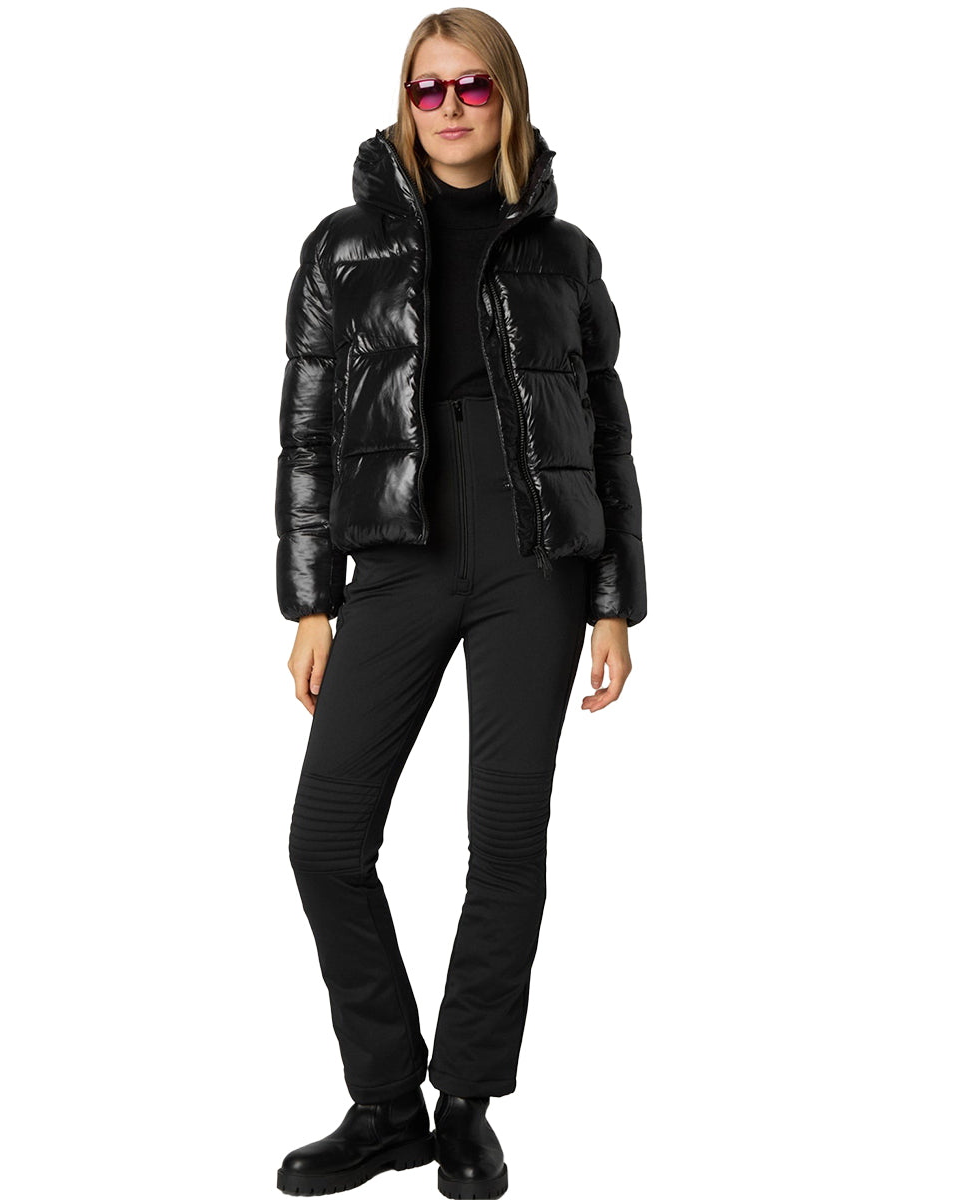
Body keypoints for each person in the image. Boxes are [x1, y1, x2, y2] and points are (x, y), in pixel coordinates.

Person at [273, 10, 647, 1197]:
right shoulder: (342, 248)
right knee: (326, 840)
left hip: (535, 562)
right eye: (427, 90)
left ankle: (467, 1101)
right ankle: (386, 1102)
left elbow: (606, 436)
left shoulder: (564, 256)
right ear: (406, 102)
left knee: (508, 840)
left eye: (470, 87)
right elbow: (307, 434)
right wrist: (311, 602)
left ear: (507, 98)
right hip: (397, 557)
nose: (448, 109)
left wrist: (613, 602)